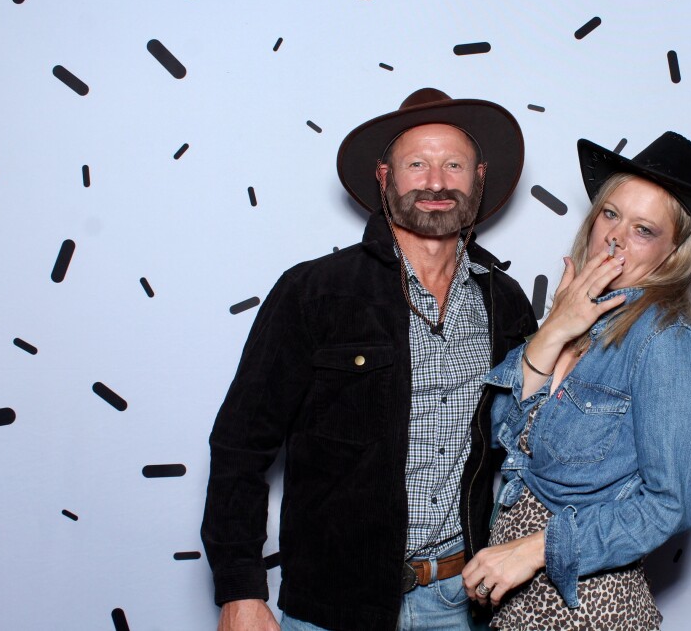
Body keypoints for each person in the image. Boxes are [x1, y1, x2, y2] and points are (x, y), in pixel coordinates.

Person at [201, 88, 536, 631]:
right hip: (334, 608)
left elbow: (533, 441)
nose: (436, 182)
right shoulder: (314, 291)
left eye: (454, 165)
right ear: (385, 177)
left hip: (464, 602)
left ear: (478, 178)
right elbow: (241, 445)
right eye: (417, 164)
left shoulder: (505, 301)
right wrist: (239, 588)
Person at [461, 131, 691, 629]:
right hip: (515, 604)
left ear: (672, 253)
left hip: (588, 609)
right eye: (610, 214)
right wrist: (555, 329)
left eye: (643, 230)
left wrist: (537, 549)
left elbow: (670, 505)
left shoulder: (665, 343)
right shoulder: (578, 317)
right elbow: (500, 435)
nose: (615, 237)